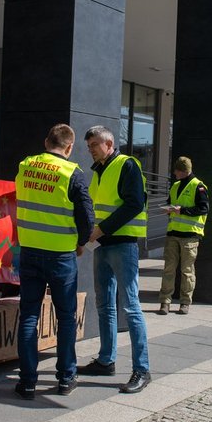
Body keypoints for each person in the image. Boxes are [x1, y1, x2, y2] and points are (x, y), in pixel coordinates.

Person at [13, 124, 94, 400]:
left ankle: (26, 382)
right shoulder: (73, 173)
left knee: (29, 316)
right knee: (66, 318)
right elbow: (86, 215)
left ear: (46, 141)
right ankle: (66, 377)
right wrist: (81, 242)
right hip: (61, 255)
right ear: (69, 147)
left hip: (30, 251)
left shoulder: (25, 166)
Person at [81, 125, 151, 394]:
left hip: (121, 244)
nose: (91, 150)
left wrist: (100, 230)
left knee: (131, 307)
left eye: (94, 145)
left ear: (109, 143)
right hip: (101, 244)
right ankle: (106, 360)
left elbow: (134, 204)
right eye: (88, 146)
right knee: (104, 304)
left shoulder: (127, 165)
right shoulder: (99, 171)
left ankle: (142, 370)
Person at [158, 156, 209, 315]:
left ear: (183, 171)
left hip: (190, 235)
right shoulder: (175, 186)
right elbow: (170, 202)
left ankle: (185, 303)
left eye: (176, 170)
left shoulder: (198, 186)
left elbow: (204, 208)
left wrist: (182, 210)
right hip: (173, 233)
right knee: (168, 269)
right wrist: (168, 208)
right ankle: (165, 303)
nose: (174, 173)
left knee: (187, 271)